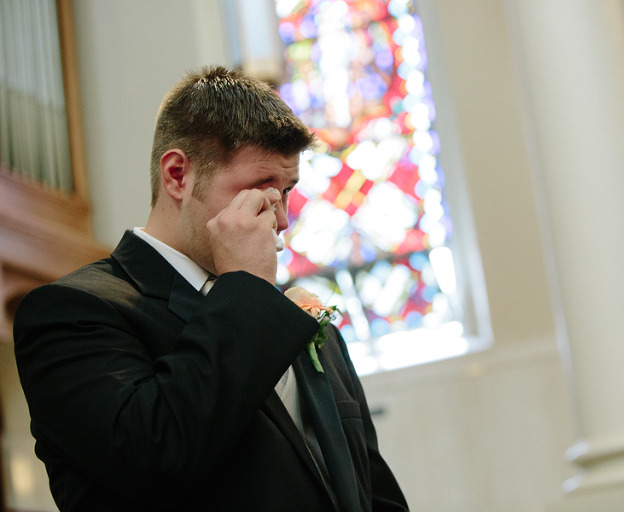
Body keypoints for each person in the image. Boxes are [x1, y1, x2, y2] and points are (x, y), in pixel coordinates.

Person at [13, 66, 409, 512]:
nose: (281, 220)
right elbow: (155, 457)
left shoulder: (298, 321)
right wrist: (245, 287)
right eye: (262, 190)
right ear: (177, 175)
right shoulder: (73, 313)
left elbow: (370, 490)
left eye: (287, 191)